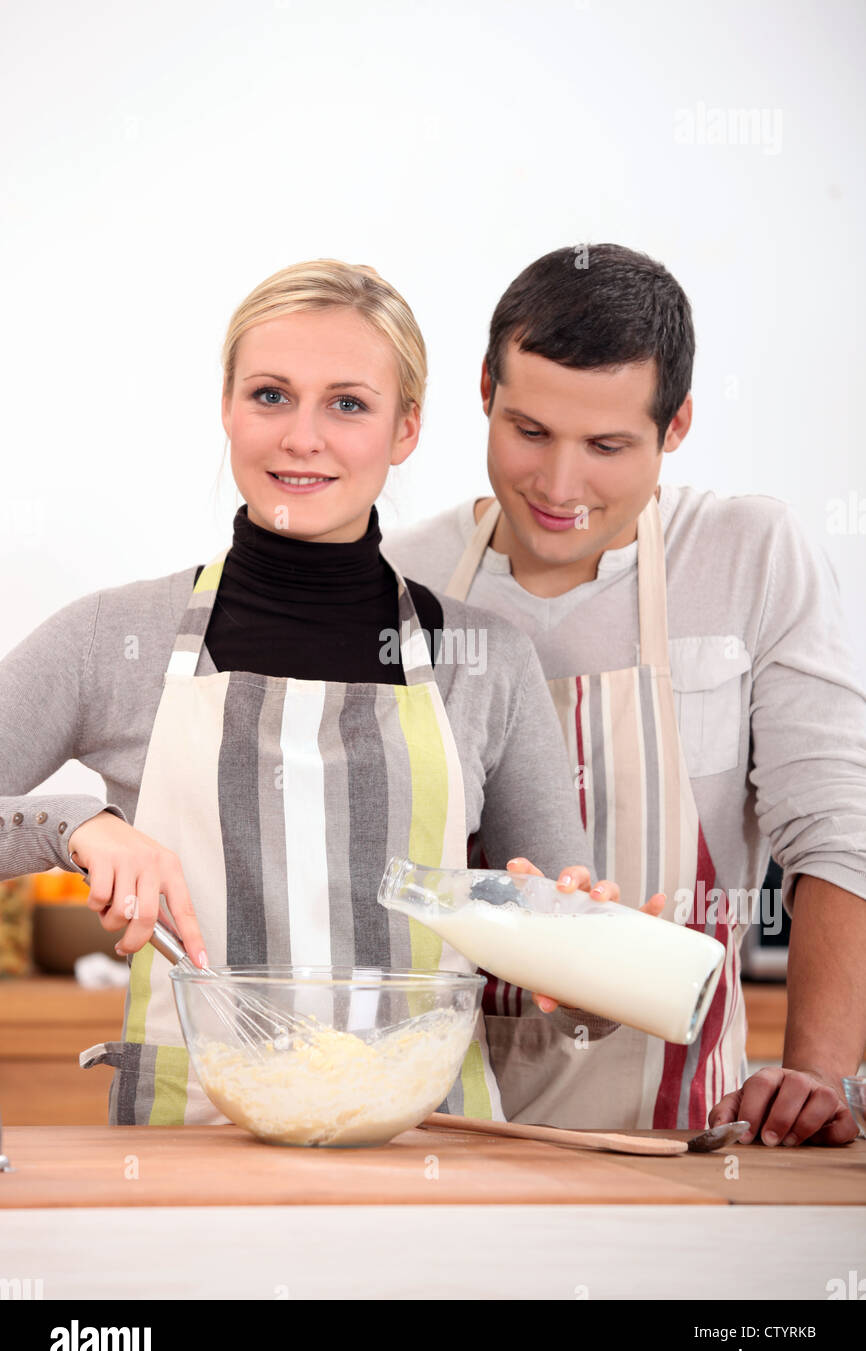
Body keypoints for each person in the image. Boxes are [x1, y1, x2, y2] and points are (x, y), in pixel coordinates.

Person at [0, 257, 656, 1128]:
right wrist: (74, 825)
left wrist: (597, 969)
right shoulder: (113, 639)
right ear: (227, 407)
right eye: (271, 395)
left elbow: (579, 1002)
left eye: (348, 404)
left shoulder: (486, 662)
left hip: (430, 1155)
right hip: (188, 1159)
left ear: (406, 427)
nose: (302, 437)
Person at [382, 243, 866, 1145]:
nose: (559, 486)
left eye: (607, 446)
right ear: (484, 389)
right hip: (432, 1132)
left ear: (675, 425)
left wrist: (812, 1079)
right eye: (529, 432)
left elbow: (839, 832)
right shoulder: (398, 577)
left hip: (681, 1134)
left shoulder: (748, 555)